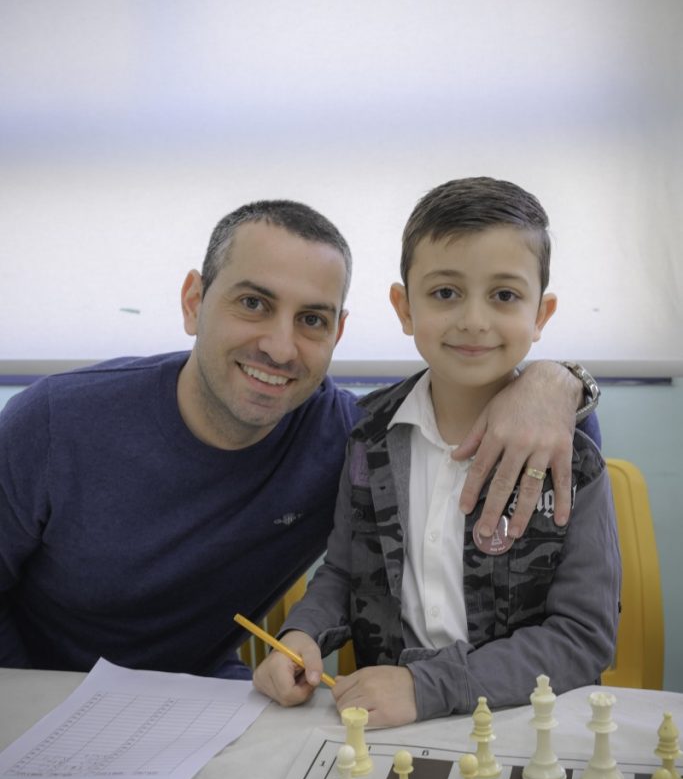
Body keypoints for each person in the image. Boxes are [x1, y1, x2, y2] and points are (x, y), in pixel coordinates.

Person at [0, 197, 600, 676]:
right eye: (253, 303)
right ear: (193, 302)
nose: (281, 348)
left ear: (338, 333)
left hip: (206, 701)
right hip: (32, 696)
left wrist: (560, 382)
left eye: (312, 319)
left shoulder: (352, 438)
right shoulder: (51, 423)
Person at [253, 179, 620, 723]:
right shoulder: (368, 436)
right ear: (404, 308)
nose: (473, 320)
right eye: (445, 293)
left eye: (504, 295)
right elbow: (345, 573)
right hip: (389, 729)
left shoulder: (572, 456)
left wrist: (426, 686)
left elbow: (582, 638)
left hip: (524, 721)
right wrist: (302, 634)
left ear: (541, 315)